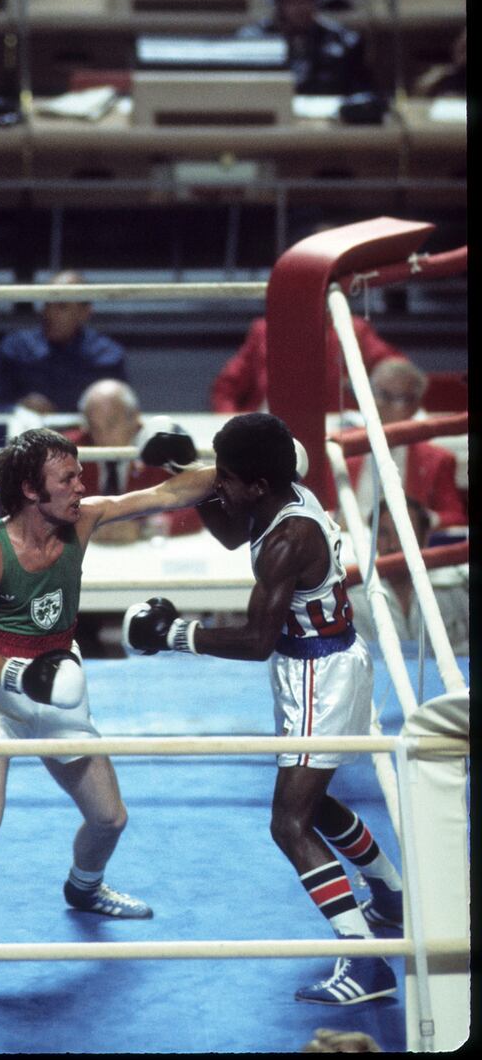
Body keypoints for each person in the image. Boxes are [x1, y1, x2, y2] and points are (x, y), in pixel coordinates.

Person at [0, 424, 216, 987]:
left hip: (58, 683)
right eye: (67, 478)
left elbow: (168, 494)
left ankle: (85, 887)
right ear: (31, 489)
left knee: (109, 818)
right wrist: (20, 675)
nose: (82, 486)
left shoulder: (84, 520)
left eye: (79, 475)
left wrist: (246, 463)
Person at [123, 412, 404, 1006]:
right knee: (312, 801)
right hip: (325, 664)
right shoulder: (283, 494)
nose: (215, 483)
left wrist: (174, 635)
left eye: (224, 476)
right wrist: (178, 465)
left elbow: (256, 641)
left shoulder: (287, 541)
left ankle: (366, 963)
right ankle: (390, 894)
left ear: (257, 485)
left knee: (289, 823)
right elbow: (231, 533)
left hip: (317, 676)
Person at [67, 379, 202, 543]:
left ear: (134, 417)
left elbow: (200, 504)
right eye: (93, 426)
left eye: (111, 424)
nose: (102, 435)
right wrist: (82, 526)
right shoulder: (70, 450)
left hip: (147, 552)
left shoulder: (164, 446)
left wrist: (144, 528)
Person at [347, 358, 467, 530]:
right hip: (344, 540)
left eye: (394, 397)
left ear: (415, 406)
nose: (379, 404)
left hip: (403, 541)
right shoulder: (340, 446)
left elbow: (455, 516)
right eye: (377, 393)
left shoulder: (437, 460)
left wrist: (420, 519)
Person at [0, 270, 128, 414]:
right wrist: (21, 409)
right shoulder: (16, 348)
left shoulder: (107, 355)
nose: (50, 313)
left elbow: (119, 413)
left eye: (62, 306)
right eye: (47, 304)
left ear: (85, 312)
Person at [210, 313, 402, 414]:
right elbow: (225, 388)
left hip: (329, 432)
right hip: (267, 431)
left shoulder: (351, 330)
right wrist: (233, 428)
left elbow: (399, 371)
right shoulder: (265, 331)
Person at [347, 497, 469, 656]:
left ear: (424, 537)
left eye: (402, 533)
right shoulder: (355, 600)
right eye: (383, 534)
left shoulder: (456, 590)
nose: (393, 545)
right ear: (373, 539)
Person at [236, 0, 376, 96]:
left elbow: (363, 96)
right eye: (292, 1)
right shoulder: (251, 42)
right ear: (277, 2)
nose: (300, 9)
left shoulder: (346, 44)